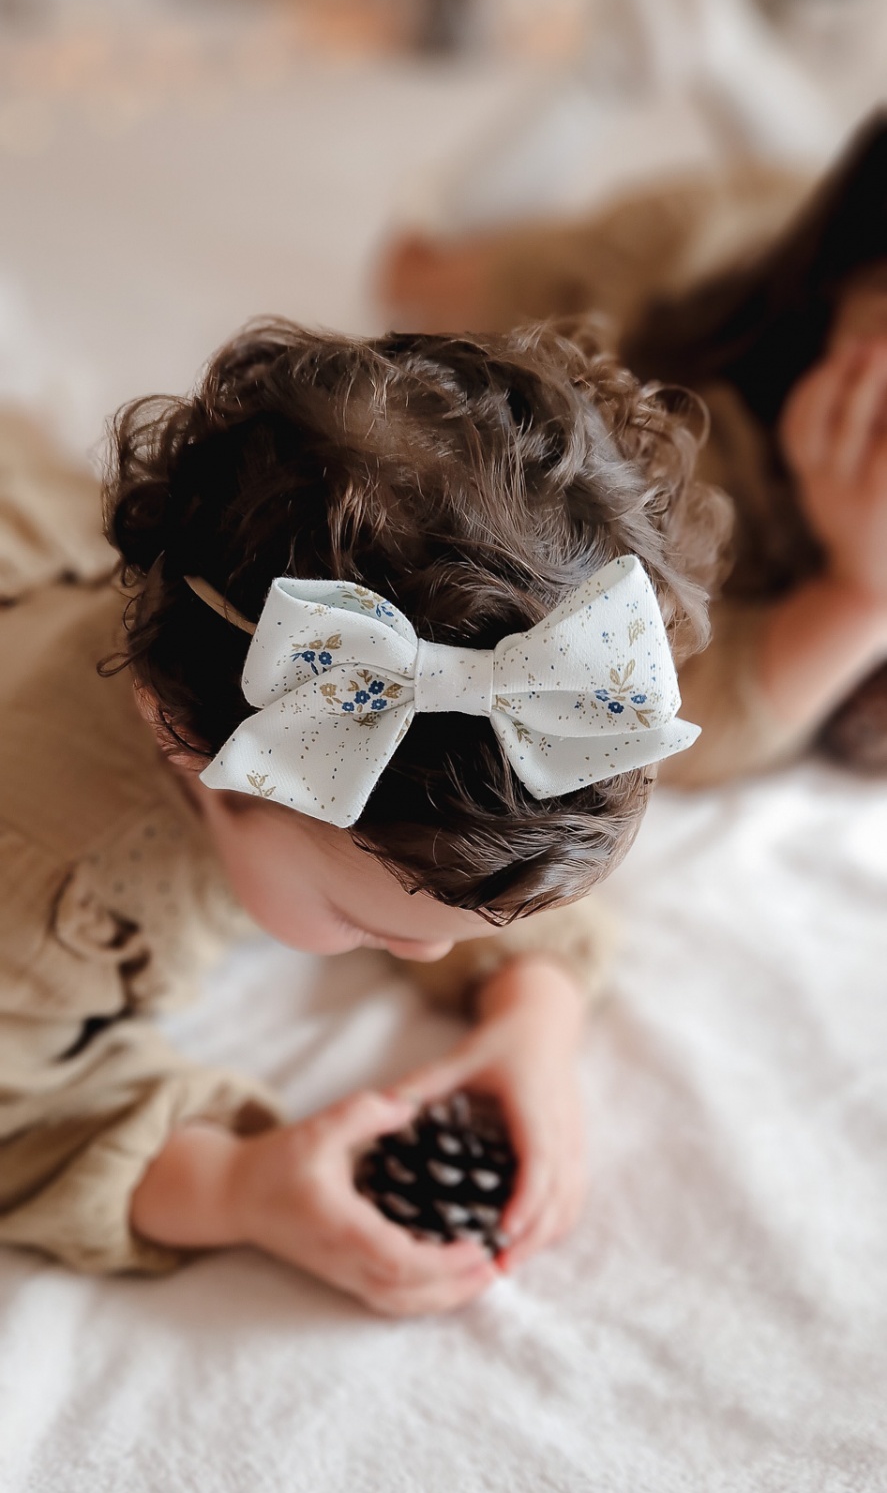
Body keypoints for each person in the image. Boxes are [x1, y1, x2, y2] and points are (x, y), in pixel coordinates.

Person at [0, 318, 726, 1314]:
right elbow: (14, 1115)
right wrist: (235, 1189)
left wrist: (532, 1017)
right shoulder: (49, 871)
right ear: (186, 740)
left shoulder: (477, 727)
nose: (422, 957)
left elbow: (483, 871)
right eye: (369, 924)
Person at [380, 113, 887, 781]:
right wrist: (860, 590)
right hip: (673, 287)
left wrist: (861, 592)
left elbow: (666, 720)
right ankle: (612, 80)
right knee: (415, 277)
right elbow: (644, 711)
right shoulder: (655, 326)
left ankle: (724, 69)